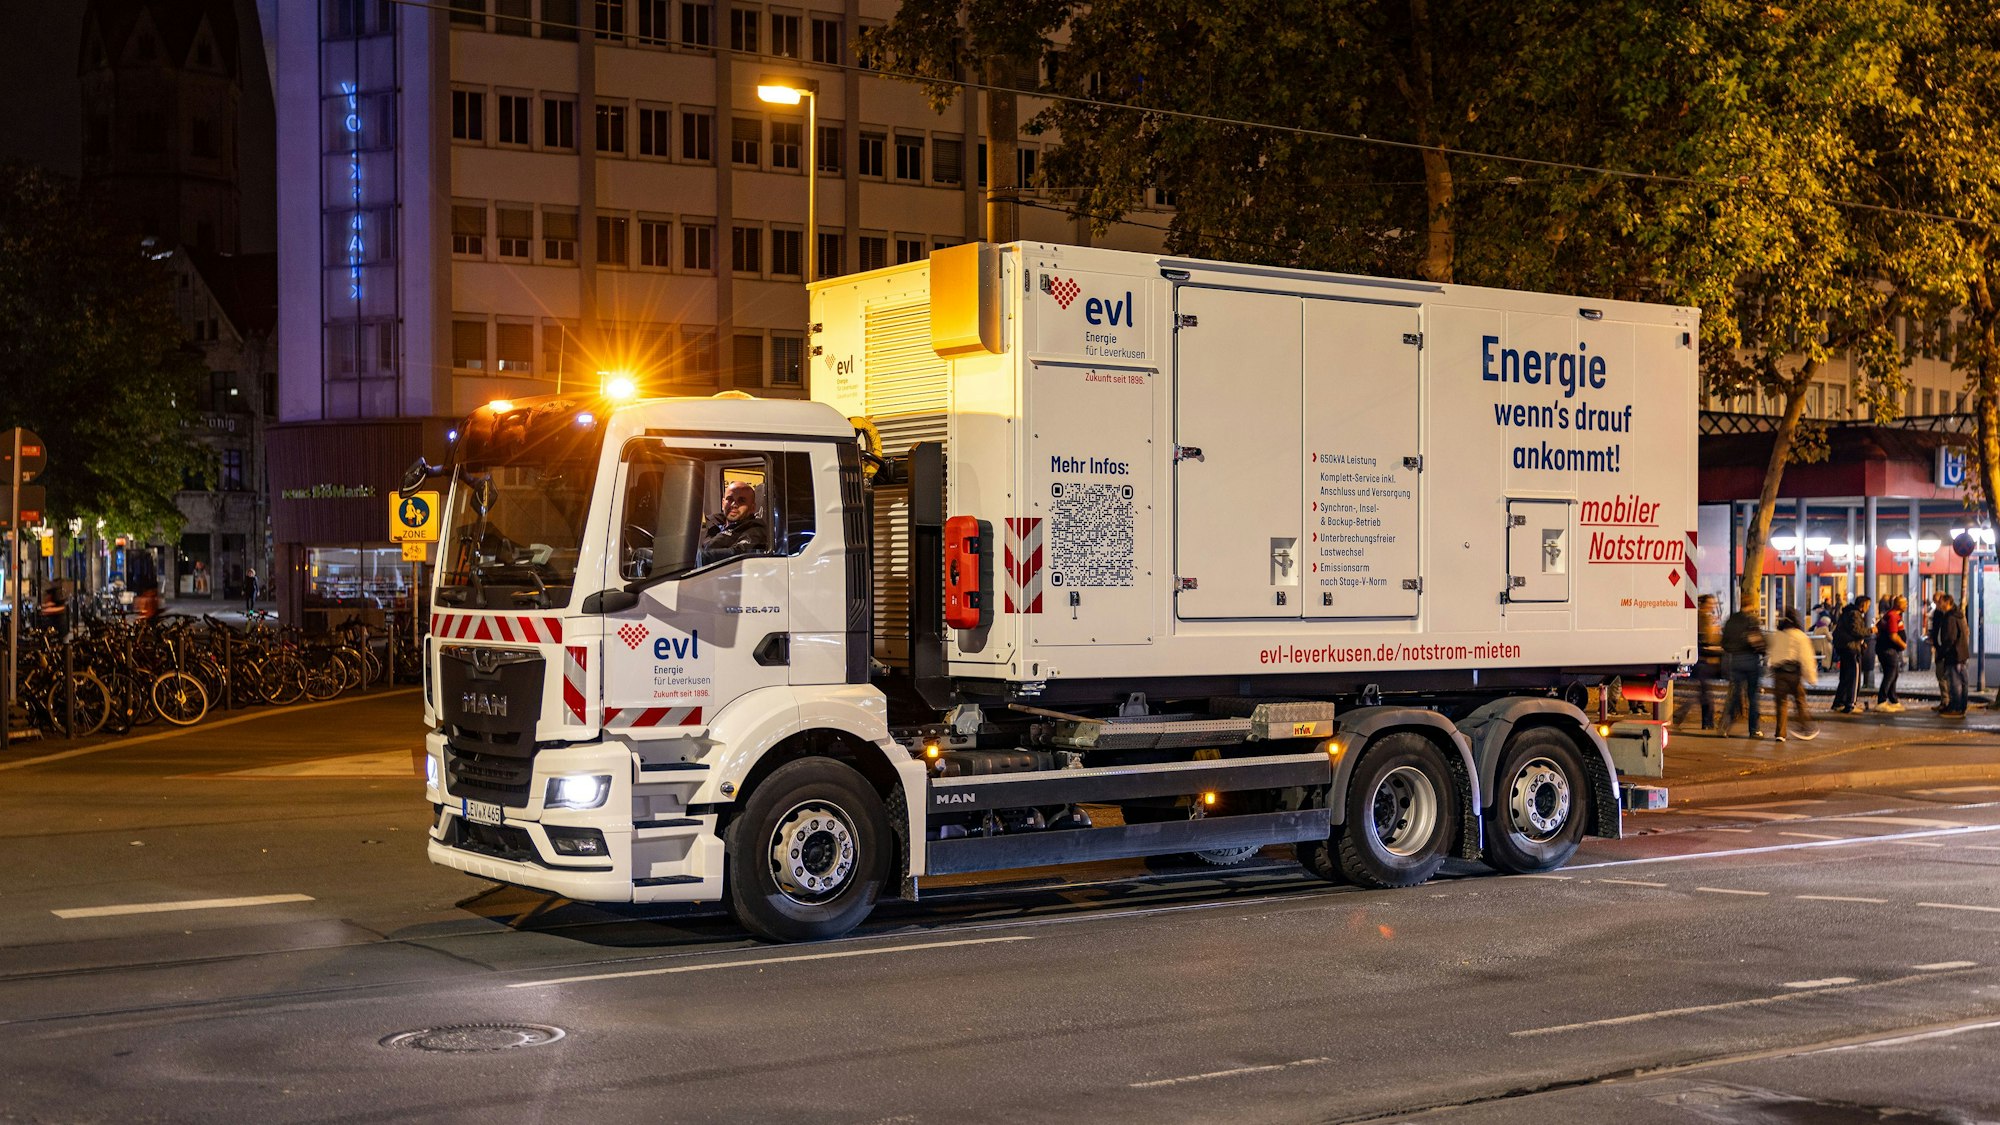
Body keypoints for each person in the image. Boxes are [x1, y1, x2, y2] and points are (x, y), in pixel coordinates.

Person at [1768, 611, 1820, 742]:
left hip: (1779, 673)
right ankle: (1805, 728)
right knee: (1800, 700)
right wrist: (1812, 678)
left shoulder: (1778, 635)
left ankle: (1780, 733)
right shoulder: (1800, 636)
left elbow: (1772, 654)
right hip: (1793, 673)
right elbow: (1806, 657)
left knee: (1781, 703)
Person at [1717, 604, 1767, 738]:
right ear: (1750, 606)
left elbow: (1724, 643)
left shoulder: (1731, 620)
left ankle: (1724, 726)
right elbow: (1760, 644)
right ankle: (1754, 729)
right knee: (1753, 697)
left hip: (1735, 662)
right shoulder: (1751, 621)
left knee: (1734, 696)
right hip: (1751, 662)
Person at [1673, 594, 1722, 730]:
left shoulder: (1700, 616)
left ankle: (1704, 722)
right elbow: (1708, 638)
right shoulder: (1703, 618)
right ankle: (1706, 723)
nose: (1713, 605)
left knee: (1702, 694)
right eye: (1711, 603)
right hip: (1701, 661)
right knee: (1705, 695)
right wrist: (1715, 630)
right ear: (1704, 604)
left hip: (1699, 660)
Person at [699, 480, 771, 562]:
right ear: (723, 504)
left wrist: (699, 558)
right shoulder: (712, 524)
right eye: (729, 499)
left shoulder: (756, 531)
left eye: (741, 500)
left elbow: (737, 554)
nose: (734, 504)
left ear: (752, 508)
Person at [1932, 593, 1971, 717]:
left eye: (1940, 602)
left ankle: (1956, 707)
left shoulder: (1950, 618)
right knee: (1962, 681)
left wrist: (1942, 653)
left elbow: (1949, 638)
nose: (1938, 605)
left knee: (1955, 683)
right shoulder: (1958, 615)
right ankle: (1961, 706)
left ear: (1946, 603)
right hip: (1961, 653)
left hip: (1953, 655)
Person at [1830, 595, 1871, 713]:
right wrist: (1870, 631)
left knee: (1845, 677)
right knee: (1854, 675)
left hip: (1844, 647)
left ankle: (1839, 702)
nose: (1868, 608)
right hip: (1851, 648)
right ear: (1862, 605)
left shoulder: (1847, 613)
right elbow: (1856, 631)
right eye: (1868, 605)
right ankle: (1850, 704)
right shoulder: (1855, 614)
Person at [1874, 595, 1908, 713]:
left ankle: (1893, 699)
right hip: (1888, 650)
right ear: (1899, 605)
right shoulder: (1893, 616)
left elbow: (1878, 628)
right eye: (1905, 603)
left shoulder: (1891, 615)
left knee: (1893, 674)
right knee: (1890, 674)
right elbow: (1893, 635)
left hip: (1888, 649)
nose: (1907, 605)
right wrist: (1902, 644)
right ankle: (1882, 700)